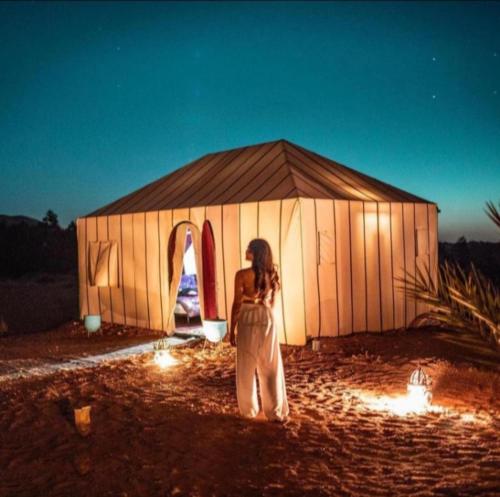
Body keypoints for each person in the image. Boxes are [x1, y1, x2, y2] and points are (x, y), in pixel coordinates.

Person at [229, 238, 289, 422]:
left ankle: (249, 410)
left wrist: (232, 329)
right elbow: (272, 304)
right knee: (270, 365)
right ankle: (274, 411)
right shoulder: (272, 275)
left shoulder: (241, 275)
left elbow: (237, 304)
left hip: (248, 317)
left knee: (246, 366)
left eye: (248, 249)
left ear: (255, 253)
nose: (245, 251)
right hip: (267, 317)